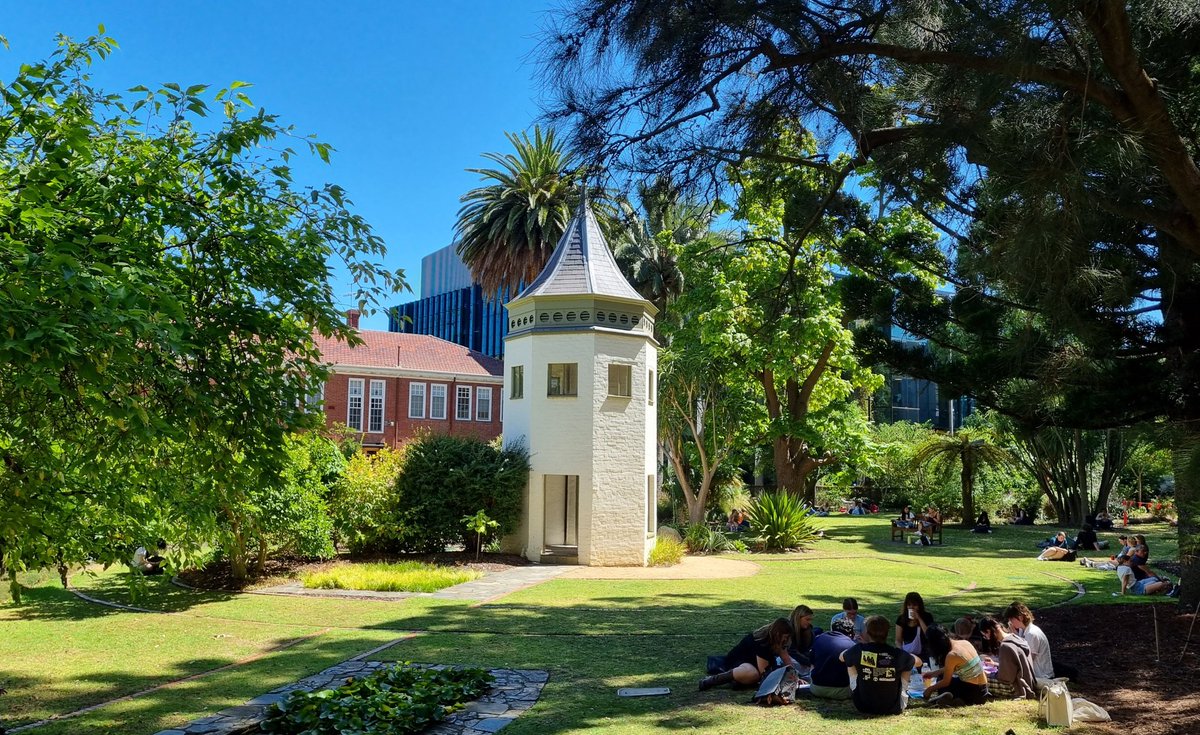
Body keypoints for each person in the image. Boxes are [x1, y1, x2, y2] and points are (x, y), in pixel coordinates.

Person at [840, 614, 921, 716]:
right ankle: (902, 693)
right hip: (893, 707)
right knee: (907, 666)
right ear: (887, 633)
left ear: (867, 632)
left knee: (850, 662)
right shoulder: (897, 655)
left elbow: (842, 657)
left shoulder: (858, 651)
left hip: (862, 706)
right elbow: (919, 662)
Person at [700, 618, 793, 691]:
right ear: (778, 634)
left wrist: (794, 675)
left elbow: (786, 659)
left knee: (756, 676)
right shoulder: (762, 642)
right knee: (753, 674)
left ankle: (739, 681)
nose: (787, 640)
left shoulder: (778, 642)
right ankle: (711, 680)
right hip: (739, 661)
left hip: (753, 664)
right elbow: (764, 672)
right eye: (786, 637)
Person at [922, 625, 990, 706]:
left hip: (973, 694)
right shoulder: (965, 642)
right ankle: (951, 697)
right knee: (943, 678)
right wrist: (934, 673)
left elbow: (946, 682)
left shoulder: (952, 655)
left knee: (942, 682)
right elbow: (960, 666)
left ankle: (954, 698)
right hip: (983, 691)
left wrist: (930, 689)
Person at [979, 618, 1036, 699]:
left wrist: (989, 674)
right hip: (1028, 682)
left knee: (979, 680)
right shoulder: (1015, 638)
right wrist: (995, 664)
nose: (987, 638)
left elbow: (1006, 678)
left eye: (985, 636)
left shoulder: (1005, 646)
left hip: (1017, 687)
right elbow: (1015, 667)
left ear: (989, 631)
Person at [1003, 601, 1054, 682]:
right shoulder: (1022, 631)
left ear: (1020, 617)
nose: (1010, 622)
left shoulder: (1032, 634)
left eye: (1011, 619)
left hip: (1042, 677)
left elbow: (1027, 660)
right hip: (1034, 675)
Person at [810, 618, 858, 699]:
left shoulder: (818, 639)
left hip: (816, 688)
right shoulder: (852, 645)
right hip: (842, 691)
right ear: (851, 633)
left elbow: (812, 662)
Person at [894, 591, 935, 657]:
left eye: (914, 605)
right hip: (907, 652)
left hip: (924, 651)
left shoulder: (927, 617)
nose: (911, 607)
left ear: (919, 605)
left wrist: (919, 618)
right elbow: (898, 640)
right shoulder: (901, 619)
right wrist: (900, 650)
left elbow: (929, 634)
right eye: (909, 605)